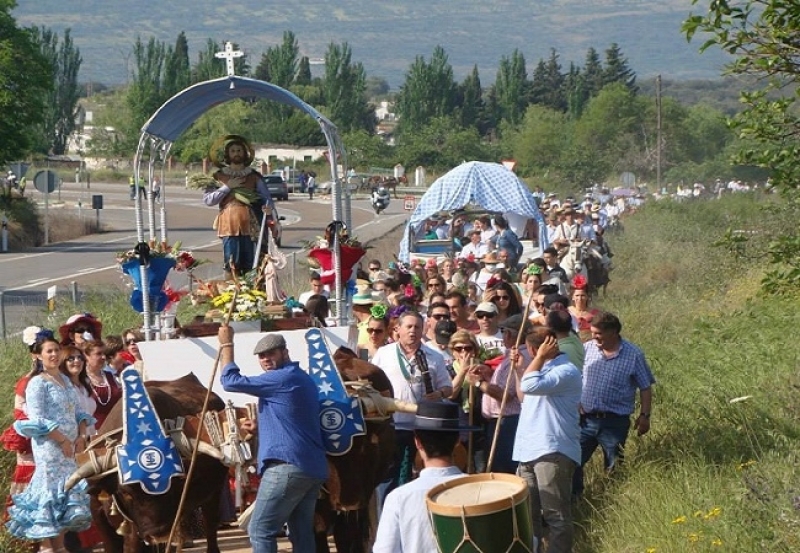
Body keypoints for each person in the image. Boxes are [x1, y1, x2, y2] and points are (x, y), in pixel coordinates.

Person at [218, 329, 327, 553]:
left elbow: (229, 382)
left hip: (286, 467)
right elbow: (293, 419)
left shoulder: (281, 378)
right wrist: (261, 428)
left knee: (259, 530)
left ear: (285, 352)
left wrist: (226, 344)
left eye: (271, 354)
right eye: (262, 356)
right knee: (301, 532)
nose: (266, 359)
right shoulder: (300, 378)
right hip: (311, 467)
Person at [6, 336, 93, 550]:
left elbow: (80, 412)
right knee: (49, 492)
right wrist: (62, 440)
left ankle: (60, 546)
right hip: (49, 447)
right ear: (38, 356)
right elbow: (37, 418)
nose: (54, 355)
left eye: (56, 350)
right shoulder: (37, 383)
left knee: (66, 493)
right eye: (49, 351)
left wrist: (81, 435)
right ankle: (47, 546)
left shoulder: (65, 381)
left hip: (71, 448)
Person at [513, 328, 582, 553]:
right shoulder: (540, 369)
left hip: (553, 451)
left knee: (556, 515)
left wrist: (538, 359)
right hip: (528, 451)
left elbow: (529, 386)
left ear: (535, 349)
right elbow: (524, 397)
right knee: (527, 517)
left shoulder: (566, 371)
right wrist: (518, 370)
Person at [373, 401, 474, 553]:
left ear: (417, 442)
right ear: (457, 441)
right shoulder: (479, 490)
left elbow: (385, 550)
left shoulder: (399, 498)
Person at [575, 311, 656, 496]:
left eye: (598, 333)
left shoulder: (633, 354)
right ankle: (575, 498)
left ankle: (611, 498)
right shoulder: (588, 349)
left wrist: (645, 416)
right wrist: (576, 401)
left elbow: (645, 387)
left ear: (613, 332)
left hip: (615, 422)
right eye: (593, 333)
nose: (594, 337)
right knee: (573, 461)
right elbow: (577, 377)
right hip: (586, 420)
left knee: (614, 465)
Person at [372, 311, 453, 487]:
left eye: (417, 327)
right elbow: (371, 385)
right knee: (389, 475)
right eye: (408, 326)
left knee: (416, 475)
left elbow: (448, 388)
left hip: (422, 427)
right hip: (391, 425)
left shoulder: (434, 356)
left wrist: (438, 394)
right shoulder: (383, 354)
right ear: (397, 329)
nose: (412, 331)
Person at [203, 136, 276, 276]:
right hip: (228, 223)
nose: (236, 153)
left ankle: (250, 292)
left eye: (239, 150)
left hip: (250, 223)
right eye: (233, 151)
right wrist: (227, 187)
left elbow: (266, 198)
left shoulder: (253, 176)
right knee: (231, 263)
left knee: (250, 262)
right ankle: (231, 291)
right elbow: (208, 200)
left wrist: (268, 208)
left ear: (245, 154)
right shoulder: (219, 176)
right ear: (227, 155)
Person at [478, 314, 530, 474]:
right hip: (499, 422)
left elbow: (506, 395)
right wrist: (488, 376)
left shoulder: (519, 358)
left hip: (508, 422)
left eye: (503, 331)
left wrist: (478, 383)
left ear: (509, 334)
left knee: (503, 470)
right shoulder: (510, 356)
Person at [82, 341, 122, 431]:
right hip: (92, 434)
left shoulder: (111, 376)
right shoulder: (81, 379)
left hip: (116, 431)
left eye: (104, 353)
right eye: (98, 354)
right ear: (86, 356)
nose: (104, 357)